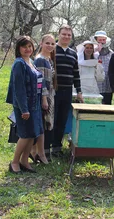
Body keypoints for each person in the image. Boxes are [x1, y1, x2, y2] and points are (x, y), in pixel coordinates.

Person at [6, 36, 42, 173]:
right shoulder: (19, 63)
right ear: (19, 48)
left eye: (30, 46)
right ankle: (14, 162)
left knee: (32, 134)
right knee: (25, 135)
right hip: (24, 105)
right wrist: (24, 109)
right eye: (24, 46)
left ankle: (24, 161)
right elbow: (19, 88)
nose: (27, 49)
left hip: (35, 104)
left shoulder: (31, 62)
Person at [47, 24, 83, 158]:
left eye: (69, 35)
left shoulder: (73, 53)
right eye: (64, 34)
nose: (66, 37)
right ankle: (46, 148)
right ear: (59, 35)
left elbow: (76, 74)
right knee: (51, 119)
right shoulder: (52, 49)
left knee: (62, 119)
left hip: (67, 91)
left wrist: (79, 91)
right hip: (53, 90)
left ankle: (57, 147)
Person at [32, 34, 57, 164]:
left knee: (45, 125)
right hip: (43, 96)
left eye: (52, 44)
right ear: (41, 44)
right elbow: (40, 82)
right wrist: (44, 99)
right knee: (43, 125)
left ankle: (38, 153)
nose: (50, 46)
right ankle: (35, 152)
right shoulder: (40, 59)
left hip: (50, 95)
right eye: (47, 43)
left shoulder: (48, 59)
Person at [93, 30, 114, 104]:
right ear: (96, 40)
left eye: (103, 40)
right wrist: (96, 51)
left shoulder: (111, 54)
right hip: (96, 87)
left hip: (107, 87)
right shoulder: (91, 52)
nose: (101, 42)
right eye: (99, 40)